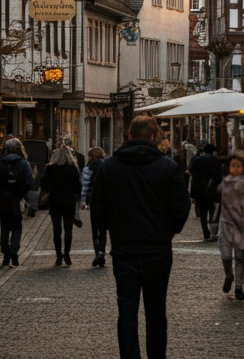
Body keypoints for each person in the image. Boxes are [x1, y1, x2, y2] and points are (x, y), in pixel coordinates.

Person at [89, 115, 191, 359]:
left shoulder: (110, 166)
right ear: (154, 137)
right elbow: (181, 207)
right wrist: (169, 231)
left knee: (127, 310)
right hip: (157, 250)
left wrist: (109, 230)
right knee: (156, 311)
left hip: (124, 249)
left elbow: (97, 206)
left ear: (129, 135)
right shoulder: (168, 167)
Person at [0, 137, 36, 266]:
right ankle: (14, 252)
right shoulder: (23, 163)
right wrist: (22, 194)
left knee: (5, 227)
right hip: (17, 199)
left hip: (3, 200)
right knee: (17, 227)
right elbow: (29, 181)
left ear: (6, 149)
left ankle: (5, 253)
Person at [217, 154, 244, 300]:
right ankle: (228, 275)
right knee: (225, 255)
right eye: (233, 165)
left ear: (243, 168)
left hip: (241, 224)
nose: (235, 168)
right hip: (225, 223)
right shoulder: (223, 183)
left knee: (239, 257)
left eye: (238, 166)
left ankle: (239, 287)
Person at [43, 146, 83, 267]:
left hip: (55, 201)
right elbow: (78, 187)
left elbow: (44, 184)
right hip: (68, 201)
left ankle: (58, 255)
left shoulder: (50, 168)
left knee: (57, 230)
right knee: (68, 229)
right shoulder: (72, 169)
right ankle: (66, 253)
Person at [189, 140, 224, 241]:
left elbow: (191, 170)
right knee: (212, 210)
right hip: (211, 188)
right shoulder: (216, 161)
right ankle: (213, 231)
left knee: (203, 212)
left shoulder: (197, 159)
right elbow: (219, 175)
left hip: (199, 188)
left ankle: (206, 232)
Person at [82, 146, 108, 267]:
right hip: (106, 201)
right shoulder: (107, 165)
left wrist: (84, 200)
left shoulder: (89, 166)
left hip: (94, 200)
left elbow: (86, 184)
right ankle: (102, 251)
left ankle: (97, 252)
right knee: (103, 229)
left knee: (95, 228)